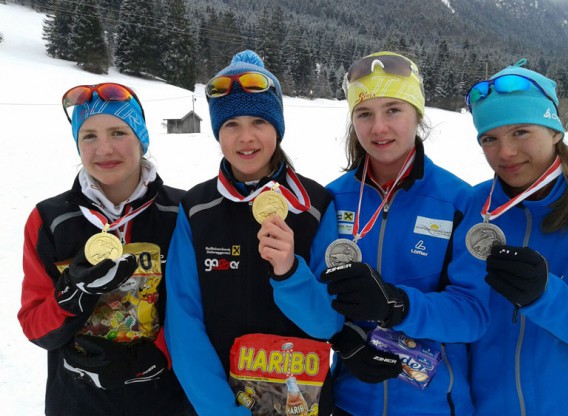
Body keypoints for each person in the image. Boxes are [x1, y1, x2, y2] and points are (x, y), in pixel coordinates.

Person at [164, 50, 342, 416]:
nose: (246, 138)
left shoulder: (315, 206)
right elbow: (183, 325)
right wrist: (221, 410)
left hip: (300, 404)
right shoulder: (196, 209)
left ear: (277, 127)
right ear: (217, 131)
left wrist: (290, 272)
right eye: (231, 124)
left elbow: (327, 323)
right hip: (217, 405)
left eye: (259, 122)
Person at [317, 52, 490, 415]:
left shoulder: (459, 200)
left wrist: (400, 305)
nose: (379, 128)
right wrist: (344, 340)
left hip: (434, 405)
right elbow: (317, 298)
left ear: (418, 114)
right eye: (365, 114)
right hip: (350, 402)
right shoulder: (331, 198)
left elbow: (474, 314)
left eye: (393, 110)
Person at [17, 82, 190, 415]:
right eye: (89, 136)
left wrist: (155, 355)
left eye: (118, 132)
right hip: (77, 401)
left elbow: (201, 311)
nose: (104, 149)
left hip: (163, 399)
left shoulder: (181, 212)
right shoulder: (50, 219)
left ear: (141, 137)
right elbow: (35, 326)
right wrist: (70, 296)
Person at [465, 59, 568, 414]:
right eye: (490, 138)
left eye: (521, 131)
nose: (505, 152)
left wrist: (545, 295)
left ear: (555, 131)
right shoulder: (471, 208)